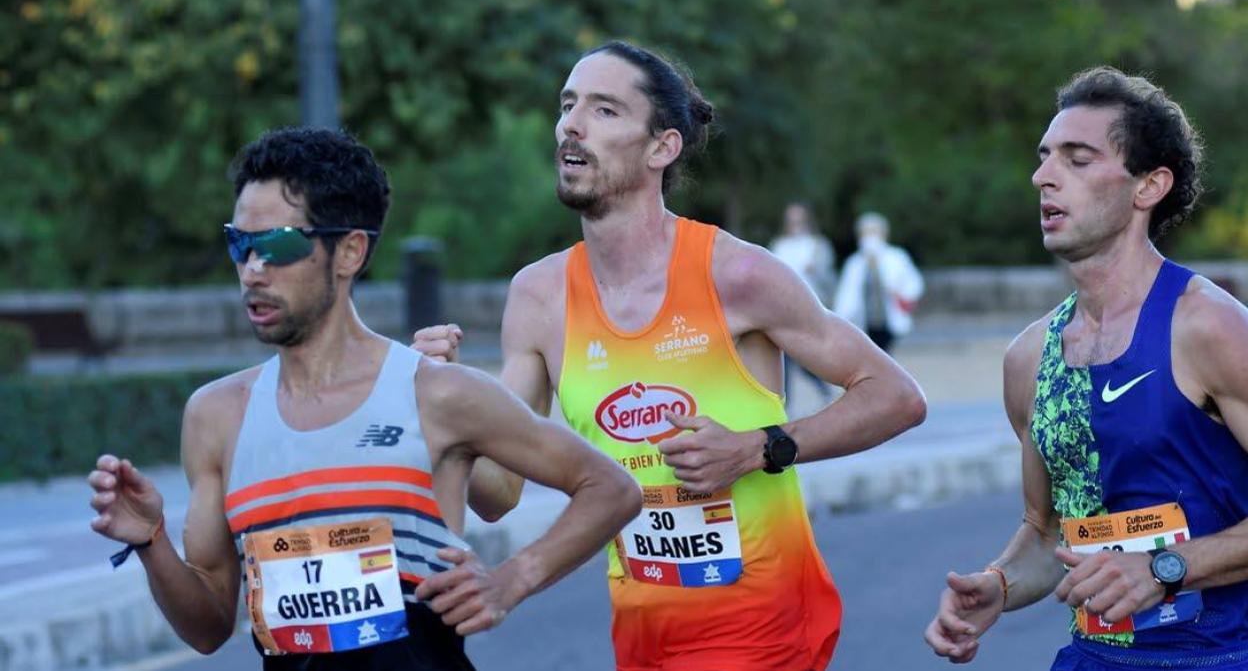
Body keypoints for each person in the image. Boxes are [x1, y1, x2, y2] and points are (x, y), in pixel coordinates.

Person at [416, 40, 927, 671]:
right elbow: (499, 495)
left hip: (764, 627)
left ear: (662, 147)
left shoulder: (736, 273)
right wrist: (449, 399)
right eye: (568, 104)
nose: (571, 124)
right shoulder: (538, 296)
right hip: (642, 638)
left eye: (604, 111)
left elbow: (896, 396)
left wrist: (760, 446)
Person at [86, 128, 641, 670]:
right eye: (240, 243)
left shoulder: (436, 393)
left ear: (349, 251)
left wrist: (510, 581)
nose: (253, 270)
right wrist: (151, 540)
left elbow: (610, 489)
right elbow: (208, 628)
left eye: (277, 244)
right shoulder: (216, 416)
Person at [924, 67, 1248, 670]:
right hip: (1094, 657)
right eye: (1045, 158)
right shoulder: (1029, 358)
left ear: (1148, 186)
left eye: (1077, 160)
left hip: (1221, 655)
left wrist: (1166, 569)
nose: (1043, 177)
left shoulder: (1208, 326)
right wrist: (997, 584)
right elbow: (1049, 532)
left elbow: (1157, 567)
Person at [769, 201, 836, 403]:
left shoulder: (818, 245)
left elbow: (829, 279)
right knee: (785, 357)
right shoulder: (779, 246)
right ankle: (786, 400)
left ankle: (821, 385)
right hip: (782, 309)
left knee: (803, 355)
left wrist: (816, 269)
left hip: (809, 308)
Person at [832, 212, 924, 353]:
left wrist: (898, 289)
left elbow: (914, 284)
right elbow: (846, 295)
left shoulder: (897, 257)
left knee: (885, 356)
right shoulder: (855, 263)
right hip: (862, 322)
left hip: (889, 320)